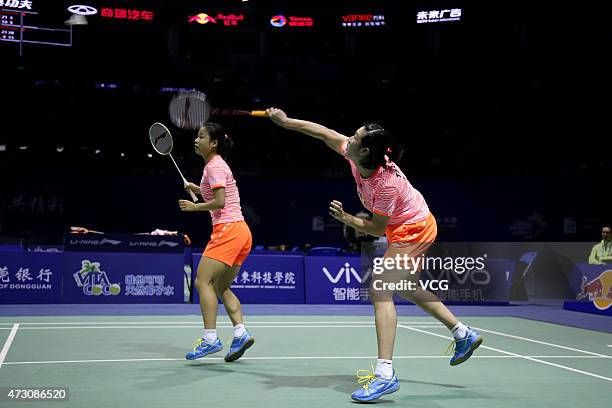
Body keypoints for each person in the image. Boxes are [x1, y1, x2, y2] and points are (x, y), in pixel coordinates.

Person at [266, 108, 482, 402]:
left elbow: (377, 229)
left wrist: (346, 220)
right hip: (404, 227)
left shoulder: (385, 185)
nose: (348, 138)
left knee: (380, 287)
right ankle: (462, 333)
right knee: (405, 286)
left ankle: (385, 374)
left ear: (365, 149)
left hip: (414, 228)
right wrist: (286, 122)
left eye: (354, 136)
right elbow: (321, 133)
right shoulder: (356, 155)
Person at [179, 123, 254, 362]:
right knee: (220, 287)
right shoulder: (214, 166)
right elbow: (219, 195)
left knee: (202, 281)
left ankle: (210, 339)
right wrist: (197, 189)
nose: (195, 140)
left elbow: (220, 202)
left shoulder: (214, 166)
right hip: (241, 231)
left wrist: (195, 206)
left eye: (201, 137)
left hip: (228, 230)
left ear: (213, 143)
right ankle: (240, 333)